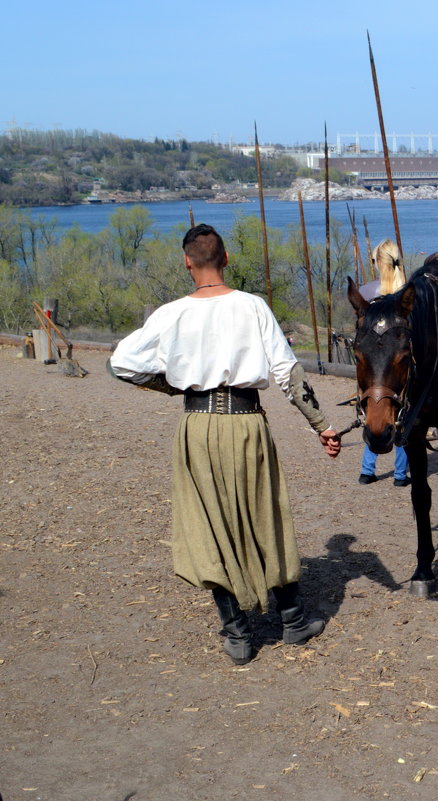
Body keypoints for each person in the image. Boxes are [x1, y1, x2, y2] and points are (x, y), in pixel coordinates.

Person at [109, 224, 340, 666]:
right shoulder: (252, 306)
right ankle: (291, 620)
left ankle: (238, 635)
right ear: (227, 258)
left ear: (187, 262)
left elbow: (119, 363)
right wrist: (322, 425)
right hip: (246, 422)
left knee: (208, 522)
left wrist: (173, 386)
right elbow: (288, 376)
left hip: (196, 425)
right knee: (264, 513)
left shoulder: (169, 314)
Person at [357, 238, 411, 488]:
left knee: (372, 409)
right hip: (400, 367)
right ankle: (400, 475)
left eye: (373, 260)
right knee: (402, 413)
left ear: (379, 262)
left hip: (373, 368)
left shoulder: (366, 293)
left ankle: (367, 470)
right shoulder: (409, 294)